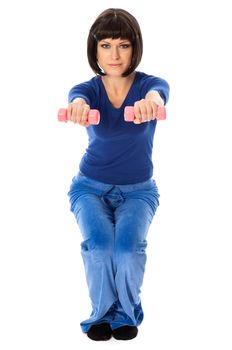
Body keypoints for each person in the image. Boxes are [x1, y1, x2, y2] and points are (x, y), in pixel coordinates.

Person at [66, 8, 169, 341]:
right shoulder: (88, 89)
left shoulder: (149, 85)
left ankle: (125, 313)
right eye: (106, 45)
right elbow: (77, 98)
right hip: (89, 188)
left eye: (123, 45)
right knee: (99, 247)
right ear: (95, 50)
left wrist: (150, 103)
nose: (114, 54)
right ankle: (101, 315)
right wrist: (78, 107)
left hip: (138, 191)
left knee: (126, 250)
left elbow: (160, 92)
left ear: (134, 48)